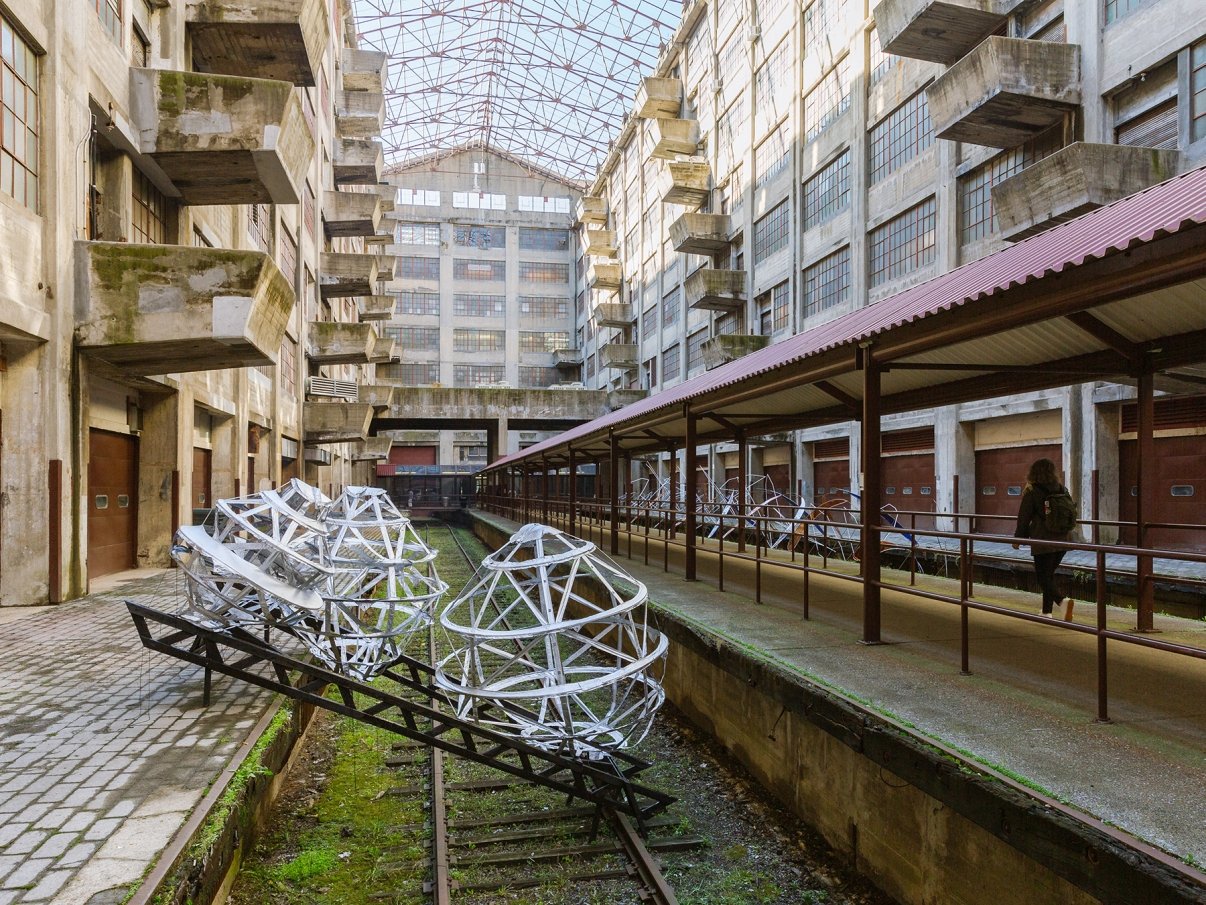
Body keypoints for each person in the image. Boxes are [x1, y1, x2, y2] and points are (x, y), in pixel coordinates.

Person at [1012, 458, 1075, 618]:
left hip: (1043, 540)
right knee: (1049, 576)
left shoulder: (1032, 490)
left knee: (1042, 577)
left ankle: (1062, 602)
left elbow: (1024, 518)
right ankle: (1046, 611)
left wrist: (1018, 539)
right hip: (1063, 539)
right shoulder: (1061, 488)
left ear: (1033, 472)